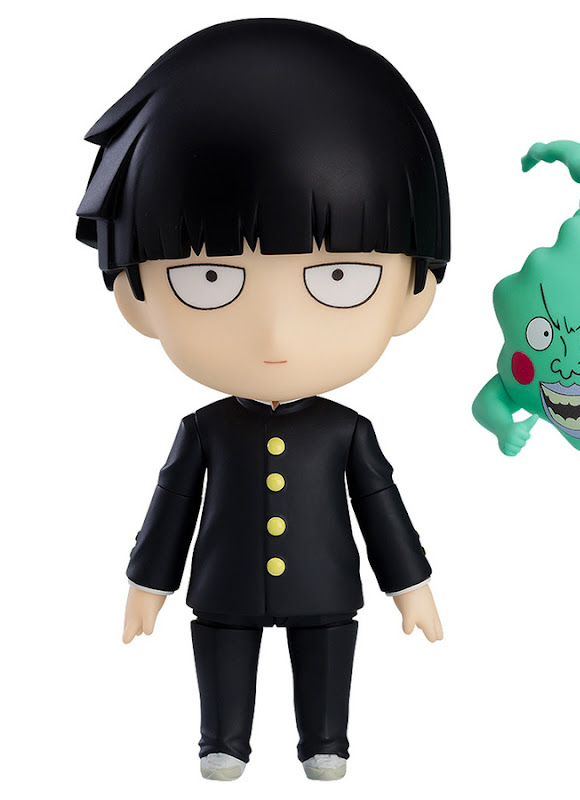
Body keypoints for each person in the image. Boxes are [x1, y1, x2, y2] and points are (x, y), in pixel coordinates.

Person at [76, 19, 450, 782]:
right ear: (135, 296)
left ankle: (325, 741)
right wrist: (148, 584)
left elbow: (381, 507)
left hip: (325, 587)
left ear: (416, 291)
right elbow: (172, 507)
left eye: (339, 278)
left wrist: (409, 586)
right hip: (224, 589)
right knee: (222, 656)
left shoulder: (348, 431)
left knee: (326, 658)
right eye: (208, 279)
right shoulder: (203, 430)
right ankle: (224, 739)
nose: (275, 332)